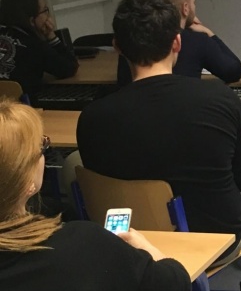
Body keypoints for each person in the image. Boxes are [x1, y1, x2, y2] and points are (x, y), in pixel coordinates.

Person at [78, 0, 241, 264]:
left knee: (72, 164)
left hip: (128, 244)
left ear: (117, 47)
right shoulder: (221, 99)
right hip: (215, 241)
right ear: (177, 42)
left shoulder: (92, 117)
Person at [0, 98, 190, 290]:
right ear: (27, 183)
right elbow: (175, 283)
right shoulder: (84, 246)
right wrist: (147, 250)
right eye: (41, 148)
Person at [117, 0, 241, 85]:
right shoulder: (198, 41)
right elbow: (234, 72)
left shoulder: (134, 39)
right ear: (185, 8)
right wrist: (209, 33)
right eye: (193, 3)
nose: (194, 7)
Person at [0, 0, 78, 104]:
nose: (48, 16)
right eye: (45, 11)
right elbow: (69, 68)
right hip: (20, 110)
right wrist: (51, 36)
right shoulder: (33, 44)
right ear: (32, 21)